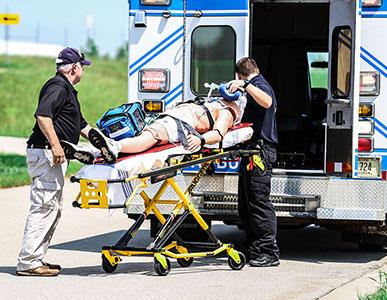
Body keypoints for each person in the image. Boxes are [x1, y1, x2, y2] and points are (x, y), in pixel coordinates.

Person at [16, 48, 92, 276]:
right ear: (75, 67)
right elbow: (43, 115)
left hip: (53, 156)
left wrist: (105, 144)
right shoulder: (58, 86)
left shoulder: (67, 90)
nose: (83, 70)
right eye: (82, 66)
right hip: (47, 154)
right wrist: (57, 145)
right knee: (44, 206)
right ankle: (29, 262)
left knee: (52, 209)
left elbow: (81, 126)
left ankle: (36, 258)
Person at [61, 97, 245, 164]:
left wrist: (202, 139)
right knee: (150, 138)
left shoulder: (213, 103)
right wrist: (202, 141)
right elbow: (219, 133)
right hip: (178, 124)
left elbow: (217, 133)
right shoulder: (227, 112)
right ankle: (114, 146)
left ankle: (91, 151)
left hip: (171, 117)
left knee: (146, 138)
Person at [228, 57, 280, 267]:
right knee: (246, 205)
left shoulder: (259, 85)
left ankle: (269, 252)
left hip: (260, 153)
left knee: (259, 203)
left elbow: (267, 102)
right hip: (251, 152)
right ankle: (255, 249)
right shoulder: (254, 86)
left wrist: (246, 85)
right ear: (256, 68)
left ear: (238, 75)